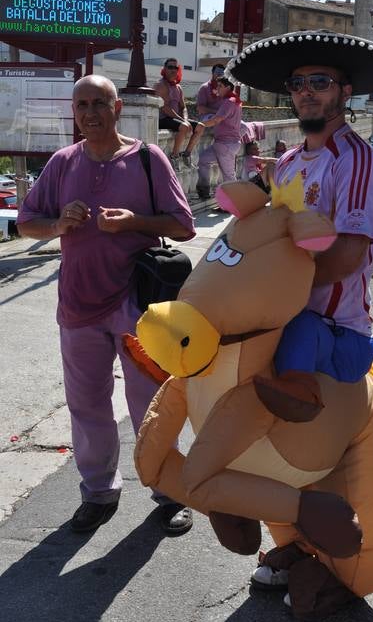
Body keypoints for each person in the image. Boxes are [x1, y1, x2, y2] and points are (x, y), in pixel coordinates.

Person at [17, 75, 196, 535]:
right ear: (74, 113)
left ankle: (169, 490)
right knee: (86, 404)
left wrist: (135, 222)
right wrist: (58, 225)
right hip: (78, 304)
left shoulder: (147, 157)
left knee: (150, 403)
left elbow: (183, 225)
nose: (90, 113)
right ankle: (98, 493)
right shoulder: (62, 163)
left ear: (117, 109)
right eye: (82, 105)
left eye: (99, 103)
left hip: (138, 302)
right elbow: (26, 222)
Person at [226, 29, 373, 387]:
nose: (306, 91)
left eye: (320, 82)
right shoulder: (287, 161)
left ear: (346, 91)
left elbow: (349, 254)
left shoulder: (356, 159)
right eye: (296, 83)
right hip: (281, 314)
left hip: (333, 330)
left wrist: (277, 290)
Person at [195, 76, 243, 200]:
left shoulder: (229, 102)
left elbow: (217, 119)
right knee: (203, 160)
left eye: (220, 86)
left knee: (228, 176)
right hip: (222, 144)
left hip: (226, 145)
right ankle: (204, 190)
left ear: (228, 87)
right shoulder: (233, 101)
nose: (217, 89)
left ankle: (235, 203)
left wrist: (201, 125)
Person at [154, 59, 202, 168]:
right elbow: (165, 108)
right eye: (170, 67)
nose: (173, 70)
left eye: (175, 68)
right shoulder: (161, 85)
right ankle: (174, 156)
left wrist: (185, 118)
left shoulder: (178, 87)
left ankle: (186, 154)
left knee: (200, 126)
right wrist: (182, 120)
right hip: (162, 119)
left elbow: (183, 107)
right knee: (184, 127)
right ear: (165, 69)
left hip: (176, 118)